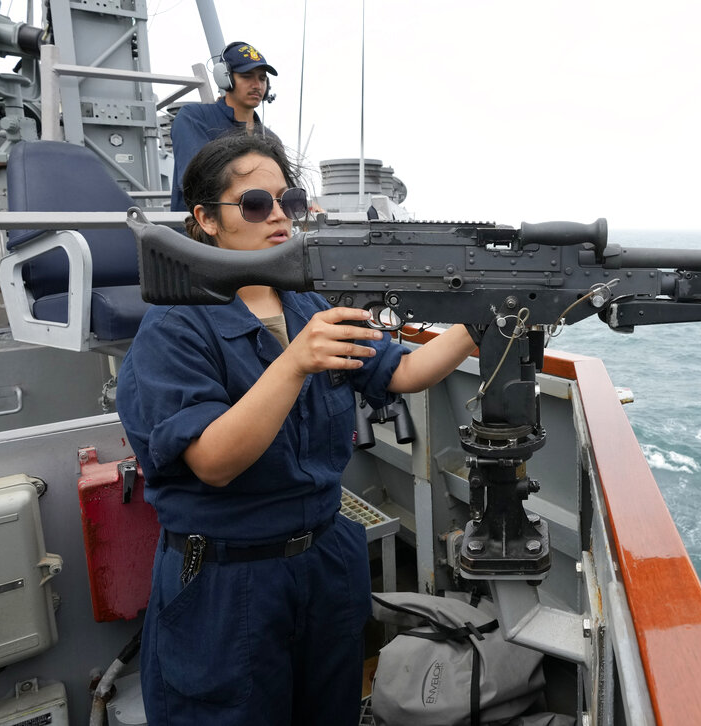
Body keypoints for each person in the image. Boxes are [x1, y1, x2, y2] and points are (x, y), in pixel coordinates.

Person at [117, 132, 477, 725]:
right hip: (228, 581)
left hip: (325, 561)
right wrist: (293, 362)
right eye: (256, 203)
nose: (279, 215)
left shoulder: (306, 307)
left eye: (290, 199)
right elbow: (213, 460)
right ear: (206, 220)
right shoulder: (176, 327)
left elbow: (405, 371)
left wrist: (500, 315)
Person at [169, 41, 281, 211]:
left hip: (255, 229)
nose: (257, 85)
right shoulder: (193, 118)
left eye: (262, 78)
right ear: (225, 79)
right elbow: (195, 182)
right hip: (199, 233)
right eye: (246, 76)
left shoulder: (271, 138)